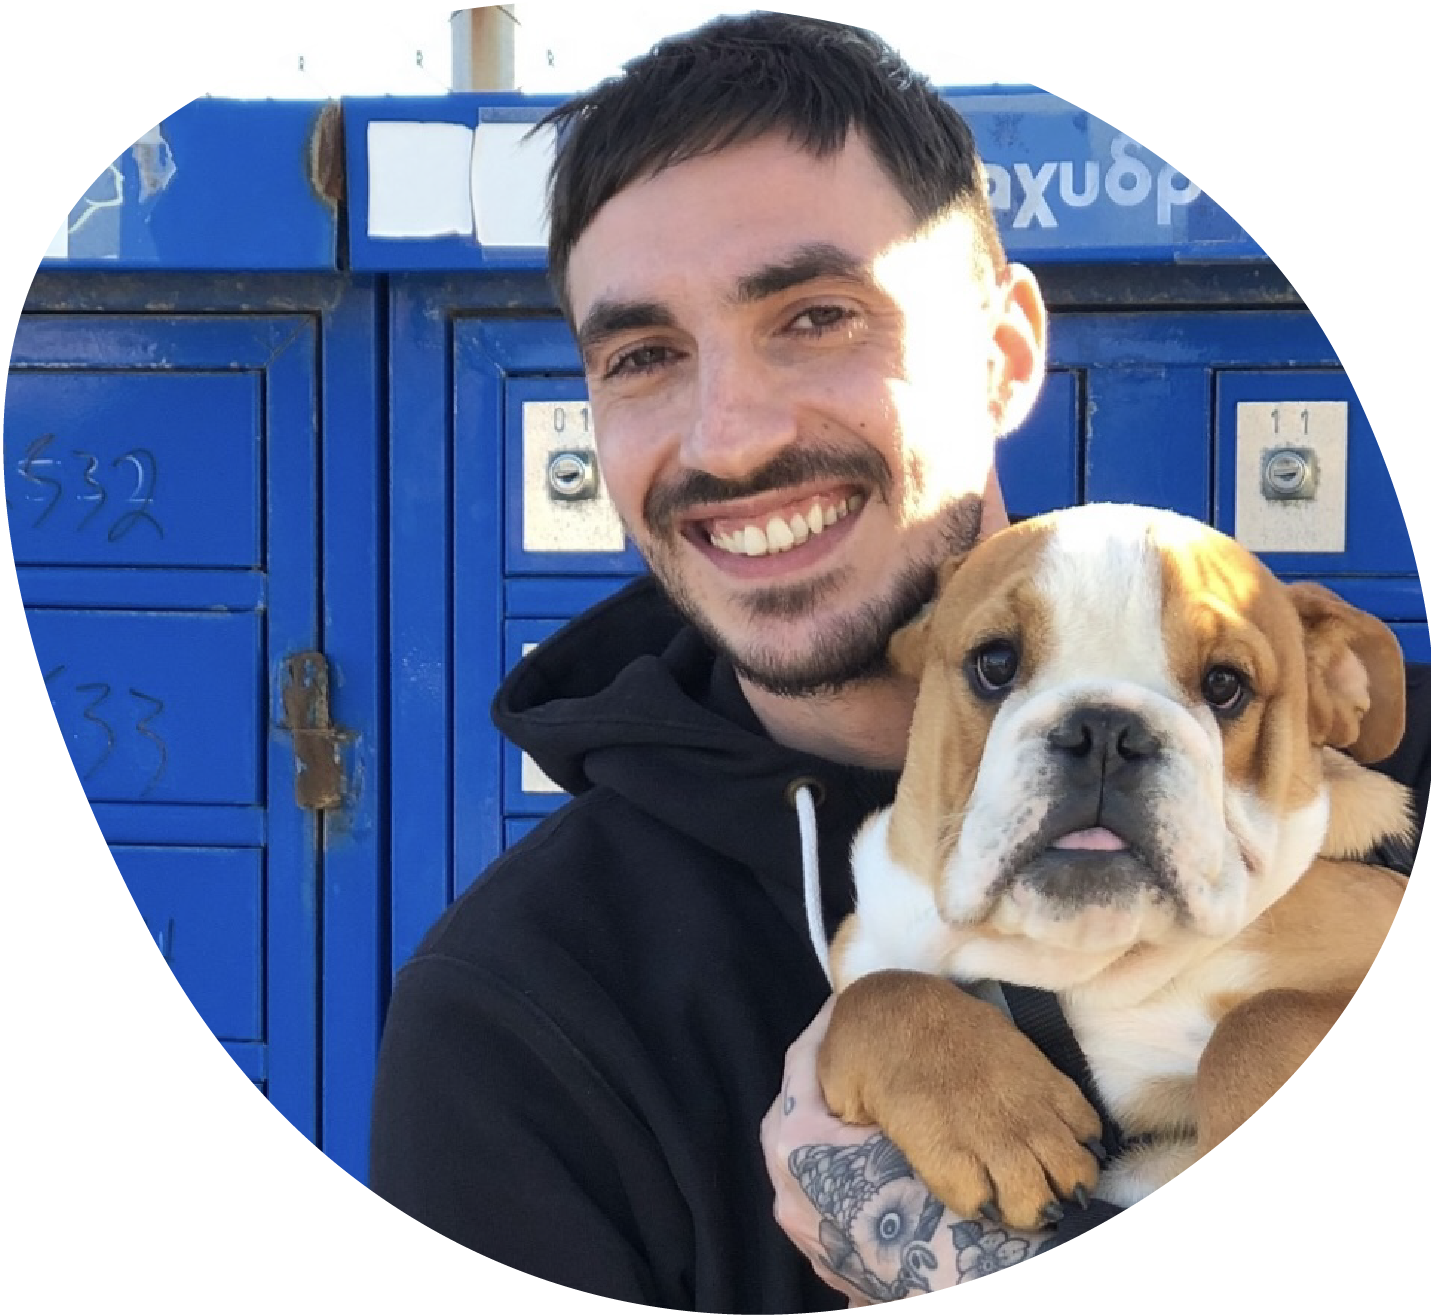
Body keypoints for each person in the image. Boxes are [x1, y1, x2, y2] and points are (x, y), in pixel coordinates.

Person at [368, 11, 1429, 1312]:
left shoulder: (1376, 768)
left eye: (817, 315)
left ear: (1004, 356)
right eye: (643, 356)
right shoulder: (518, 1022)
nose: (731, 437)